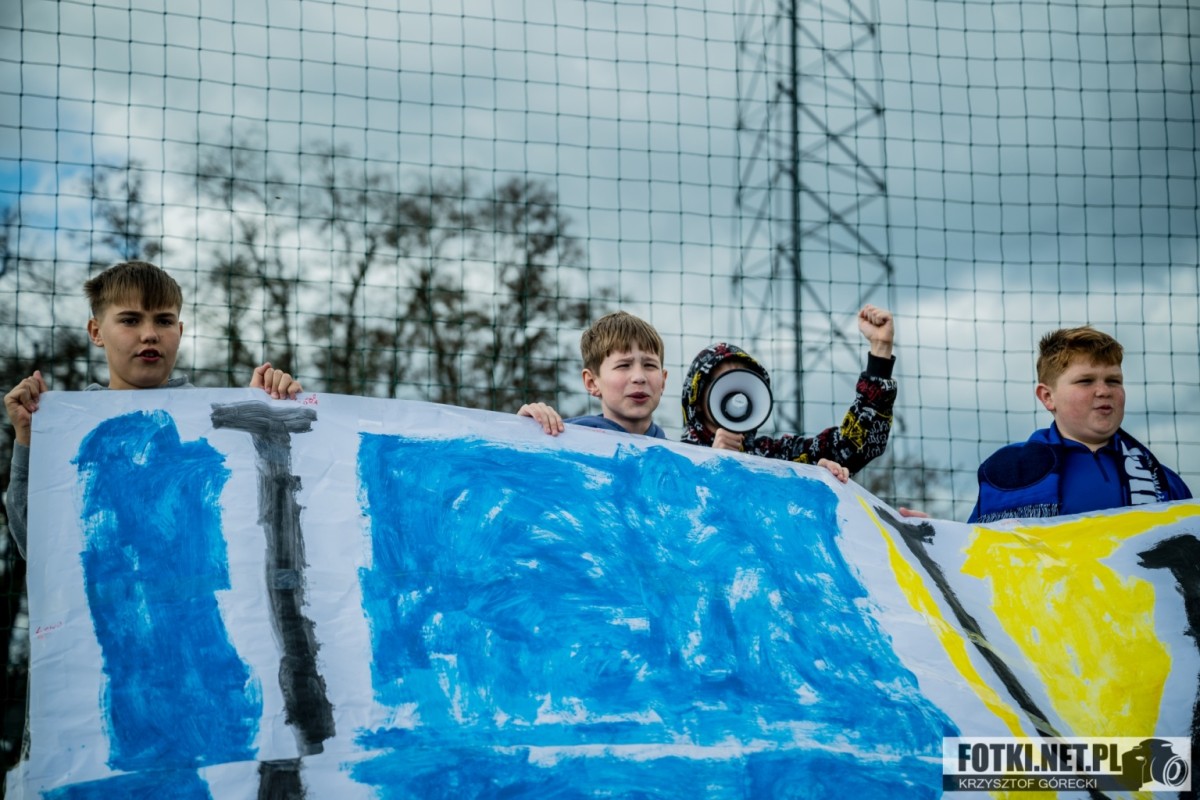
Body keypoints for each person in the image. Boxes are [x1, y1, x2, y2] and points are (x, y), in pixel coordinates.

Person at [4, 260, 303, 559]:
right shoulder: (71, 429)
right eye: (130, 320)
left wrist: (260, 415)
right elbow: (37, 549)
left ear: (180, 331)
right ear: (96, 331)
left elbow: (250, 523)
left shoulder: (214, 422)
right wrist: (28, 441)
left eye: (163, 321)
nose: (149, 334)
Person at [969, 325, 1191, 523]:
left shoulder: (1165, 483)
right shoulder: (1005, 474)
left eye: (1113, 381)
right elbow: (972, 548)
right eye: (1085, 381)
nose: (1104, 391)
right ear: (1047, 397)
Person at [679, 304, 898, 483]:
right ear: (697, 399)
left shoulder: (772, 457)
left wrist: (880, 352)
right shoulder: (677, 461)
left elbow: (849, 446)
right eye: (725, 382)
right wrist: (711, 465)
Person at [519, 310, 668, 438]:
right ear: (592, 382)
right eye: (623, 365)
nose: (639, 377)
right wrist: (521, 430)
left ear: (663, 381)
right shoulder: (562, 440)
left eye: (650, 365)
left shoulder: (676, 456)